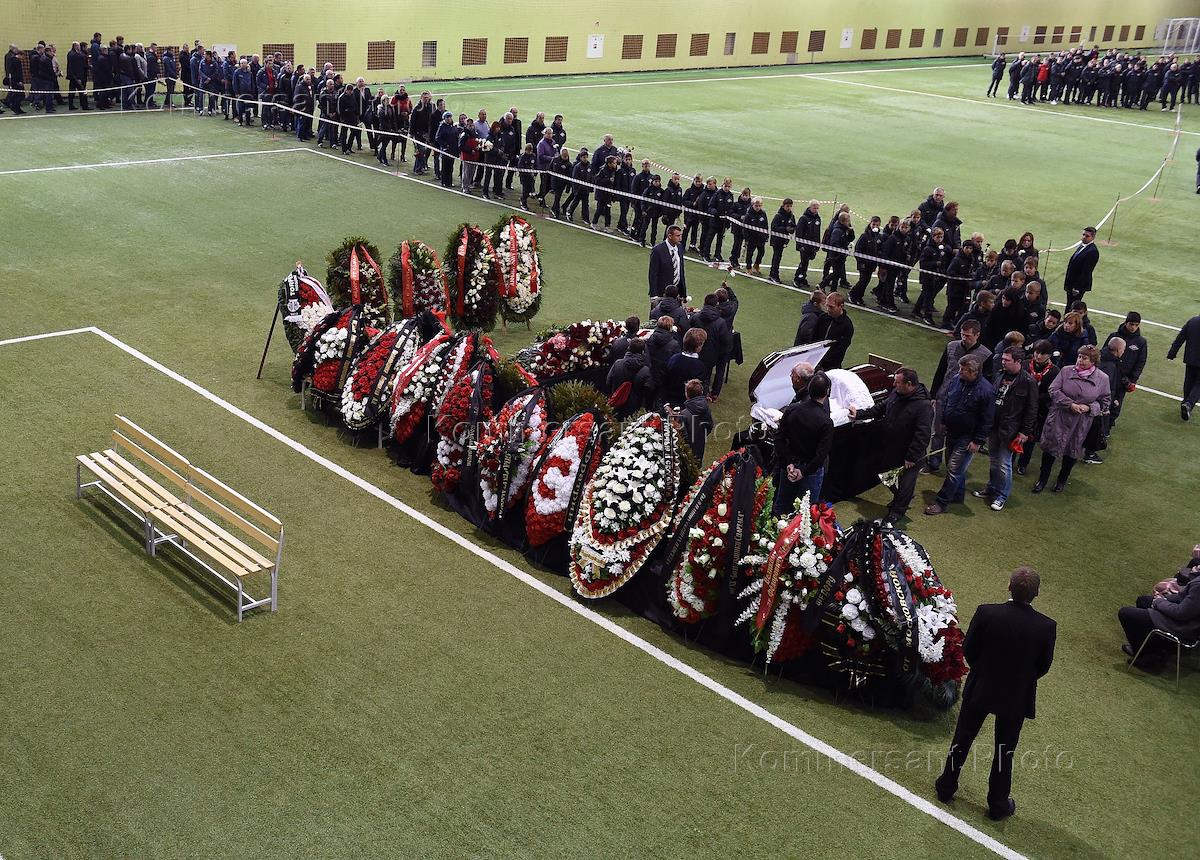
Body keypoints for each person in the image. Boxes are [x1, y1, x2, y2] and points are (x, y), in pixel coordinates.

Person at [935, 567, 1056, 821]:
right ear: (1036, 594)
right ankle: (998, 804)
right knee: (1005, 750)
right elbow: (1043, 666)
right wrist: (1020, 680)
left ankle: (946, 787)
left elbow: (969, 649)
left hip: (981, 687)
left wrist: (983, 671)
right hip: (1016, 696)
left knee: (963, 738)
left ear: (1009, 587)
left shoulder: (987, 613)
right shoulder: (1046, 627)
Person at [847, 367, 933, 525]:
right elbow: (881, 408)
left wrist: (912, 456)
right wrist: (859, 414)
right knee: (886, 475)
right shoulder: (897, 393)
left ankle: (897, 512)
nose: (894, 384)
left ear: (909, 384)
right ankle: (902, 497)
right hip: (891, 448)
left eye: (897, 382)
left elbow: (922, 434)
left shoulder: (923, 406)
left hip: (908, 454)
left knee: (906, 483)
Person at [1034, 344, 1110, 493]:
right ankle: (1042, 480)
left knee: (1072, 451)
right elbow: (1053, 390)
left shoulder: (1102, 378)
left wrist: (1089, 408)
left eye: (1084, 358)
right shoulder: (1065, 371)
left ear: (1093, 361)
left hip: (1081, 422)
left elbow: (1105, 401)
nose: (1080, 360)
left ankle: (1062, 480)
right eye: (1079, 357)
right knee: (1049, 450)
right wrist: (1069, 404)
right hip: (1059, 417)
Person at [925, 355, 995, 515]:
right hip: (952, 430)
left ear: (974, 372)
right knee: (954, 465)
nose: (959, 371)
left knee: (954, 469)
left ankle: (941, 502)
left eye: (963, 369)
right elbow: (949, 400)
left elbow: (987, 419)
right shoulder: (957, 379)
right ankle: (957, 495)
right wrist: (944, 421)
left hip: (968, 436)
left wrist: (978, 441)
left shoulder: (986, 391)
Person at [972, 347, 1037, 511]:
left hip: (1010, 430)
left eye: (1007, 360)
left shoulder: (1028, 382)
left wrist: (1024, 431)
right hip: (994, 425)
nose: (1003, 362)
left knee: (1004, 463)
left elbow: (1032, 409)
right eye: (1003, 359)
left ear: (1018, 361)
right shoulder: (1000, 374)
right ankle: (991, 488)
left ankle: (1001, 495)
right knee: (994, 460)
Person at [1117, 545, 1200, 670]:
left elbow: (1181, 613)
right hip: (1189, 621)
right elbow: (1183, 597)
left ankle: (1149, 657)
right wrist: (1165, 598)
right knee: (1143, 601)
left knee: (1125, 613)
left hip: (1184, 627)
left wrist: (1159, 602)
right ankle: (1157, 648)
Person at [926, 320, 992, 473]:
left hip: (967, 401)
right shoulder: (951, 346)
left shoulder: (986, 355)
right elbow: (941, 370)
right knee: (937, 431)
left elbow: (987, 381)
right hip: (944, 395)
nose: (964, 338)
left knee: (956, 435)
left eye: (968, 336)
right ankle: (933, 463)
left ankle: (953, 465)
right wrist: (933, 394)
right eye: (962, 334)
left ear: (977, 335)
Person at [773, 370, 834, 513]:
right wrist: (803, 471)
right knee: (805, 512)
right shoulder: (826, 422)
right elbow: (821, 455)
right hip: (810, 472)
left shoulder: (792, 409)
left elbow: (779, 439)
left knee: (781, 507)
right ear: (827, 392)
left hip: (789, 467)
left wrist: (789, 463)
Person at [1015, 341, 1059, 476]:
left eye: (1042, 354)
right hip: (1019, 406)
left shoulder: (1054, 371)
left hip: (1039, 410)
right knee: (1014, 434)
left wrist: (1035, 397)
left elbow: (1052, 392)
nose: (1038, 356)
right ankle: (1010, 459)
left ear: (1049, 355)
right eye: (1037, 352)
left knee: (1030, 439)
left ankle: (1023, 463)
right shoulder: (1025, 364)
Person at [690, 294, 733, 401]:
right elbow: (725, 341)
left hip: (694, 351)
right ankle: (702, 398)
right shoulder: (720, 322)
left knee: (692, 374)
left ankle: (690, 394)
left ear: (704, 302)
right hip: (710, 355)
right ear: (716, 304)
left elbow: (688, 333)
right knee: (706, 378)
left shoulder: (695, 317)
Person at [605, 338, 653, 419]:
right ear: (643, 352)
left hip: (617, 405)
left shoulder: (617, 364)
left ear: (628, 348)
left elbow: (608, 382)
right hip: (635, 409)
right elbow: (649, 391)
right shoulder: (645, 370)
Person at [1167, 313, 1200, 421]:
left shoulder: (1192, 321)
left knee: (1189, 381)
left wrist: (1172, 352)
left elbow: (1180, 337)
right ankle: (1188, 404)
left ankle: (1185, 403)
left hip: (1190, 358)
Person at [810, 292, 854, 371]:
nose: (828, 309)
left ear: (841, 306)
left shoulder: (847, 326)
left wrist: (822, 362)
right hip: (815, 361)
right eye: (827, 305)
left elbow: (839, 351)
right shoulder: (823, 317)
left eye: (831, 307)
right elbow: (813, 338)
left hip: (831, 367)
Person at [664, 328, 708, 405]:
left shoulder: (674, 358)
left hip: (669, 399)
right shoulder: (700, 367)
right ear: (698, 347)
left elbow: (665, 379)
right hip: (686, 403)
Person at [674, 379, 715, 461]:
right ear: (701, 392)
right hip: (700, 445)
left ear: (686, 394)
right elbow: (710, 425)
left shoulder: (684, 414)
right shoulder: (706, 409)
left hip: (686, 452)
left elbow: (682, 436)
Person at [645, 316, 681, 402]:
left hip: (651, 371)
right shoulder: (674, 344)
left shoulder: (651, 338)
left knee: (649, 399)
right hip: (664, 375)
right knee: (659, 400)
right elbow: (676, 362)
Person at [848, 215, 883, 304]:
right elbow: (858, 250)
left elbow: (879, 250)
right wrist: (861, 262)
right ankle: (853, 294)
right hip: (863, 264)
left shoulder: (879, 237)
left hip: (872, 264)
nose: (875, 226)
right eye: (873, 224)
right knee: (863, 281)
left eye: (877, 225)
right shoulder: (864, 236)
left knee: (866, 281)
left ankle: (859, 297)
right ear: (870, 224)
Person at [648, 225, 686, 302]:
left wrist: (683, 294)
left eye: (681, 235)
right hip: (662, 293)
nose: (680, 238)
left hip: (677, 292)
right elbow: (653, 273)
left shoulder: (679, 247)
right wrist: (654, 295)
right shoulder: (657, 250)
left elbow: (680, 271)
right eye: (677, 236)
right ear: (669, 236)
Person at [1063, 227, 1099, 306]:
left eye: (1087, 236)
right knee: (1069, 304)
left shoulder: (1092, 251)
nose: (1084, 237)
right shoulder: (1082, 246)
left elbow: (1086, 271)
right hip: (1071, 283)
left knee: (1073, 305)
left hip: (1077, 286)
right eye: (1083, 234)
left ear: (1093, 237)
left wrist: (1077, 287)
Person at [821, 211, 854, 291]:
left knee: (837, 274)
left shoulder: (844, 229)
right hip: (836, 256)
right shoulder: (837, 231)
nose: (849, 222)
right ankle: (822, 285)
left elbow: (851, 238)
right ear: (843, 221)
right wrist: (841, 252)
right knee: (836, 273)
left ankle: (833, 290)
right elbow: (834, 244)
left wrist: (851, 231)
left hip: (841, 256)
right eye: (848, 221)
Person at [792, 201, 822, 288]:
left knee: (806, 262)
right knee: (803, 262)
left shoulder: (818, 219)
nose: (816, 210)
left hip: (812, 246)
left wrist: (817, 245)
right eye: (814, 208)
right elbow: (799, 232)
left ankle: (802, 277)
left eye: (817, 208)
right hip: (804, 246)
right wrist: (800, 245)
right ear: (810, 207)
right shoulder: (804, 218)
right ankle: (797, 279)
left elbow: (817, 233)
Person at [767, 198, 796, 284]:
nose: (789, 208)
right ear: (783, 206)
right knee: (777, 257)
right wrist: (785, 229)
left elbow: (794, 226)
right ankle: (774, 275)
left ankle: (772, 274)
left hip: (784, 240)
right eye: (787, 206)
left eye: (790, 206)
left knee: (778, 257)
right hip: (776, 240)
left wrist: (792, 230)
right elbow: (774, 227)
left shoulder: (791, 216)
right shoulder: (778, 216)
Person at [741, 197, 769, 275]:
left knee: (761, 252)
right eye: (756, 206)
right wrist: (747, 238)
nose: (758, 207)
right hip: (751, 238)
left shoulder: (763, 214)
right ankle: (748, 267)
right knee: (750, 253)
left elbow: (765, 225)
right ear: (752, 205)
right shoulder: (748, 215)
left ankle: (756, 265)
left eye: (760, 206)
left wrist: (766, 236)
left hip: (761, 238)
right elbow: (745, 228)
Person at [66, 41, 88, 110]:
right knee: (82, 90)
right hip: (76, 76)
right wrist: (78, 78)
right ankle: (84, 106)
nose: (79, 47)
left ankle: (71, 105)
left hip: (72, 76)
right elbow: (76, 67)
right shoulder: (74, 55)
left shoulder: (71, 53)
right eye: (78, 46)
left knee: (72, 92)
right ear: (75, 46)